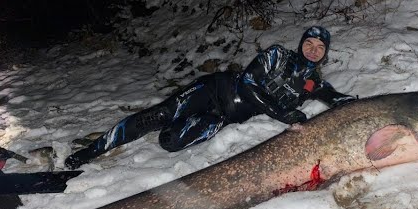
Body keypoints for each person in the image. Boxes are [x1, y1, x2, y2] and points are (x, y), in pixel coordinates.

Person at [65, 26, 356, 170]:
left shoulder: (314, 82)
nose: (313, 50)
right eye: (309, 42)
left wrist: (357, 106)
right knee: (158, 116)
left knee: (170, 143)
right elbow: (249, 82)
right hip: (215, 92)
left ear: (325, 52)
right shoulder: (278, 55)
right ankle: (89, 152)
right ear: (301, 42)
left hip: (222, 117)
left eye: (320, 47)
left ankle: (172, 125)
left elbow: (337, 99)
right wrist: (283, 114)